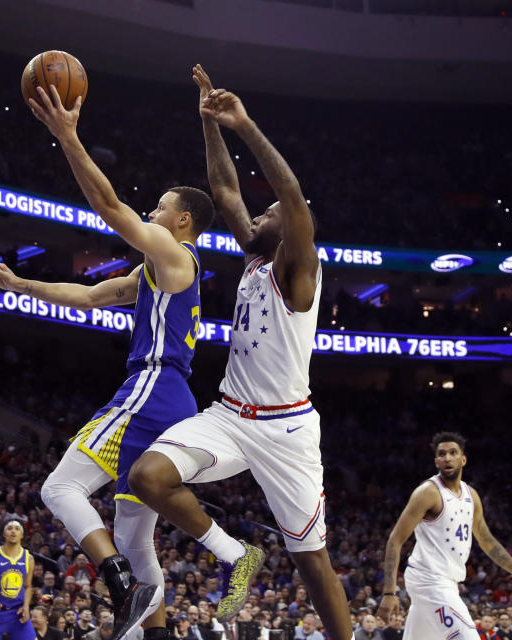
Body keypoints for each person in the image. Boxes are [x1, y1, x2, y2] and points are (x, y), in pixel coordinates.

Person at [0, 82, 215, 640]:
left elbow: (110, 207)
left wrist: (68, 137)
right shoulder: (159, 273)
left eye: (160, 208)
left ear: (182, 222)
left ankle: (118, 584)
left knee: (59, 490)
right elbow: (90, 296)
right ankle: (150, 631)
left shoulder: (175, 255)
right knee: (135, 537)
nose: (152, 213)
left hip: (152, 388)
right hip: (178, 401)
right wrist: (18, 283)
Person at [128, 65, 346, 638]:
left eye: (268, 216)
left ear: (291, 232)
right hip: (229, 416)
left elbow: (291, 196)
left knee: (311, 561)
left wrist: (246, 125)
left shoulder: (299, 271)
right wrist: (211, 124)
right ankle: (235, 554)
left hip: (287, 430)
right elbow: (224, 190)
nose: (259, 216)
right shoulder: (254, 257)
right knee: (149, 477)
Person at [377, 432, 512, 640]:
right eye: (442, 454)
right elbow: (395, 540)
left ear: (463, 459)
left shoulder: (471, 496)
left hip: (447, 582)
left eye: (453, 453)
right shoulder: (427, 492)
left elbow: (489, 543)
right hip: (429, 581)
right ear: (436, 461)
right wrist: (389, 593)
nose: (447, 458)